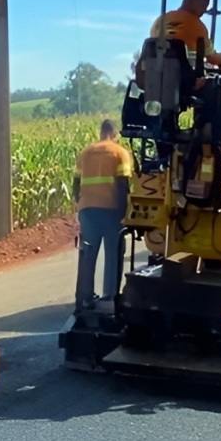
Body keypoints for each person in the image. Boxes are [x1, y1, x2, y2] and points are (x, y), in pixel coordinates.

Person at [72, 117, 133, 309]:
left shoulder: (86, 153)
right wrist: (125, 212)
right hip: (111, 209)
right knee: (113, 252)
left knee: (88, 253)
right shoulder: (119, 152)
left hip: (87, 210)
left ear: (101, 133)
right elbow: (123, 184)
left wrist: (80, 204)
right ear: (115, 134)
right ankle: (110, 296)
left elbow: (76, 184)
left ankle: (85, 297)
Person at [147, 0, 221, 67]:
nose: (204, 11)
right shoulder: (198, 27)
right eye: (203, 6)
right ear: (191, 1)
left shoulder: (160, 21)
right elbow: (212, 58)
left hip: (153, 73)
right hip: (182, 75)